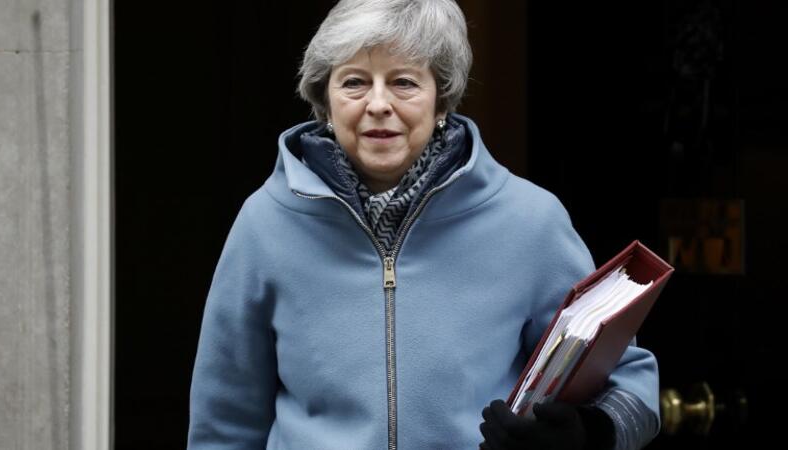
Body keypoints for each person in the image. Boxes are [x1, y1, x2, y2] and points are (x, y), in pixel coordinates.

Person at [187, 0, 661, 449]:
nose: (378, 103)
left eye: (403, 82)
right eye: (354, 82)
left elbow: (629, 383)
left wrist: (586, 435)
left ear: (441, 101)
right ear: (325, 103)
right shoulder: (265, 224)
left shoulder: (530, 220)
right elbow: (224, 422)